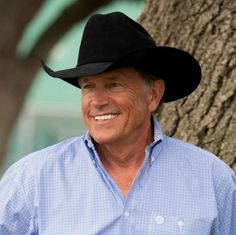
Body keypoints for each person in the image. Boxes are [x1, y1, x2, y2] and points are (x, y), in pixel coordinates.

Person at [0, 11, 235, 235]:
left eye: (114, 85)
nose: (98, 101)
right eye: (88, 86)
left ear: (153, 95)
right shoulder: (31, 179)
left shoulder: (212, 179)